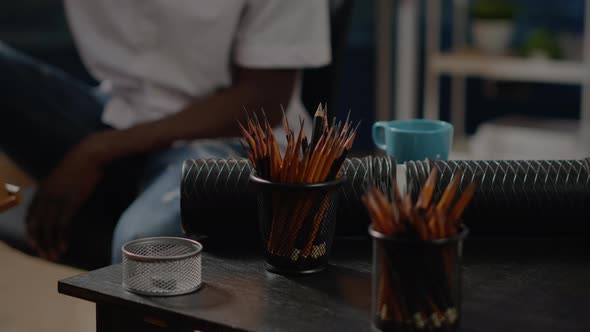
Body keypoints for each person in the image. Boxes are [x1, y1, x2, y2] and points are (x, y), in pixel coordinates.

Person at [0, 1, 330, 265]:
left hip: (230, 137)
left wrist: (97, 150)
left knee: (147, 248)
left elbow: (264, 99)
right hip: (119, 110)